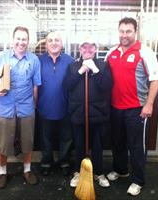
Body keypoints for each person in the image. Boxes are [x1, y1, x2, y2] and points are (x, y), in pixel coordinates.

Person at [105, 17, 158, 196]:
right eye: (122, 31)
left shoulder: (145, 52)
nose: (124, 35)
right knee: (118, 142)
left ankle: (138, 180)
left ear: (135, 32)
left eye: (128, 31)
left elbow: (155, 79)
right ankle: (121, 170)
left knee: (136, 146)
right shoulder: (111, 53)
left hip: (137, 108)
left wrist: (149, 104)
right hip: (115, 108)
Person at [0, 26, 41, 189]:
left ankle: (27, 170)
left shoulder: (34, 60)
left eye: (24, 39)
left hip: (26, 108)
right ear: (12, 40)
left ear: (28, 41)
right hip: (4, 108)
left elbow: (36, 86)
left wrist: (34, 105)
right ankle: (2, 172)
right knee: (2, 143)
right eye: (18, 39)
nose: (21, 42)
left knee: (27, 141)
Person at [63, 36, 113, 188]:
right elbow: (67, 86)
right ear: (80, 49)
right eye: (84, 47)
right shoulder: (73, 66)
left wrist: (95, 70)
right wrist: (81, 71)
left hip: (98, 113)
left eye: (91, 47)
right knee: (78, 144)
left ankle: (99, 172)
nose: (88, 50)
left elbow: (106, 86)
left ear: (95, 49)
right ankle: (78, 172)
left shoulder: (103, 66)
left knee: (97, 145)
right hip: (78, 113)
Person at [37, 31, 74, 176]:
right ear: (46, 44)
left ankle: (64, 162)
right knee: (45, 139)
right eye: (50, 40)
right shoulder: (38, 61)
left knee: (66, 138)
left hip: (65, 107)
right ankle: (46, 162)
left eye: (57, 40)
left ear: (62, 44)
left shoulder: (70, 61)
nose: (53, 43)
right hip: (44, 107)